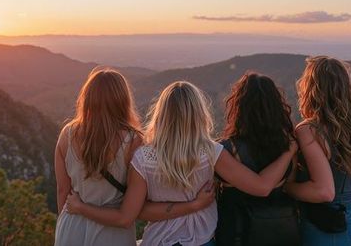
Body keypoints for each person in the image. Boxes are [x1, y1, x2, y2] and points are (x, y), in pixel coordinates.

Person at [66, 81, 296, 246]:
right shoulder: (211, 152)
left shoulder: (143, 158)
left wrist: (81, 207)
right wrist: (288, 151)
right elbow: (262, 187)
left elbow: (137, 212)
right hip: (200, 240)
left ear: (162, 115)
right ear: (198, 115)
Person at [54, 69, 212, 246]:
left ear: (87, 98)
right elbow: (140, 204)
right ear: (123, 100)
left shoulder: (67, 134)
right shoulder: (133, 141)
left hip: (72, 224)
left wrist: (68, 221)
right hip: (112, 232)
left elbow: (62, 191)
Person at [285, 56, 351, 246]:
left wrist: (287, 188)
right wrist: (347, 194)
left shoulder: (308, 131)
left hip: (321, 229)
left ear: (310, 90)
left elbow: (323, 192)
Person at [216, 72, 299, 246]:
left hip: (237, 235)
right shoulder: (289, 147)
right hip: (280, 234)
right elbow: (289, 186)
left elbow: (262, 187)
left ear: (238, 107)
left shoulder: (226, 150)